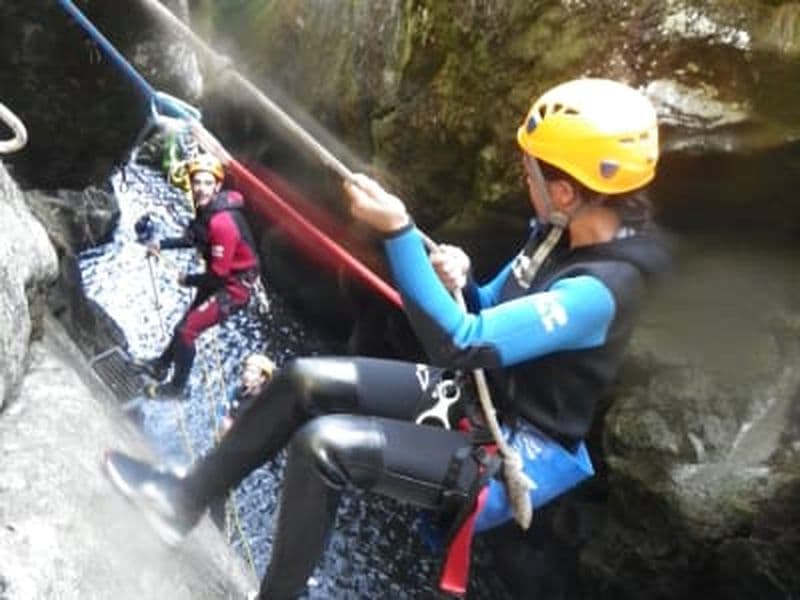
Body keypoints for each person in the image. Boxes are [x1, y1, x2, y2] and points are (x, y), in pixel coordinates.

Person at [105, 79, 671, 597]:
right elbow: (488, 312)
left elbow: (462, 342)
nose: (524, 178)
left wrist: (399, 234)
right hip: (479, 398)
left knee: (324, 448)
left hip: (512, 448)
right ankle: (181, 501)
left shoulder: (601, 290)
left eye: (531, 172)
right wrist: (463, 281)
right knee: (302, 381)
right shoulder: (556, 234)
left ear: (567, 192)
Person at [131, 153, 261, 399]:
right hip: (223, 279)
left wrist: (187, 280)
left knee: (187, 331)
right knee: (184, 325)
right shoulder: (209, 210)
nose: (200, 188)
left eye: (207, 183)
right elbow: (194, 238)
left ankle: (177, 389)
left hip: (233, 289)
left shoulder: (222, 222)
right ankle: (160, 366)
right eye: (197, 182)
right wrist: (161, 244)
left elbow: (218, 276)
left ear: (218, 186)